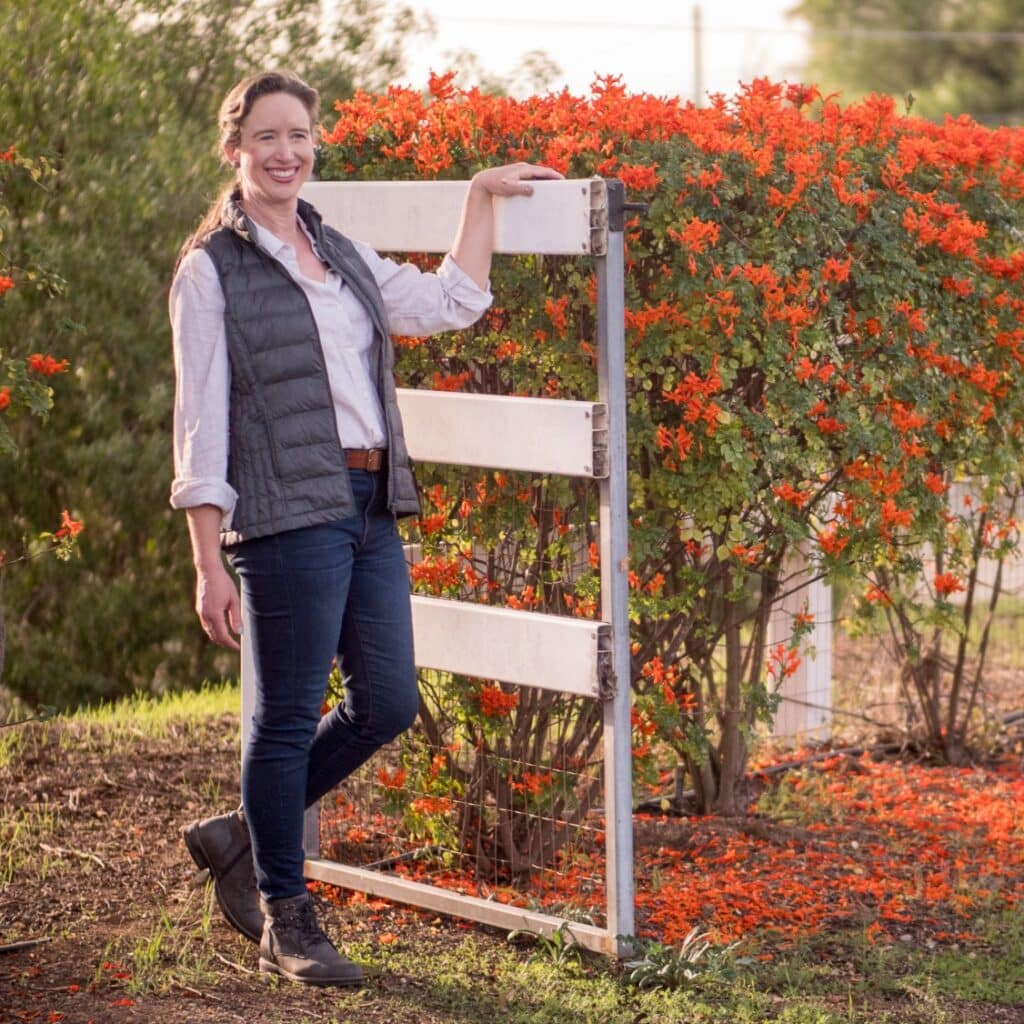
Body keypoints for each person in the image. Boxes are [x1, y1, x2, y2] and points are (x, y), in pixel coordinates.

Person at [169, 69, 560, 987]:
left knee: (388, 701)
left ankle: (240, 832)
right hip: (284, 515)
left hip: (370, 503)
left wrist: (477, 197)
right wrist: (206, 561)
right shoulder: (210, 270)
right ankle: (284, 914)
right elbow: (201, 420)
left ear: (313, 144)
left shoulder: (336, 248)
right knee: (284, 717)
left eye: (298, 135)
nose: (284, 152)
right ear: (236, 151)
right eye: (266, 137)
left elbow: (445, 304)